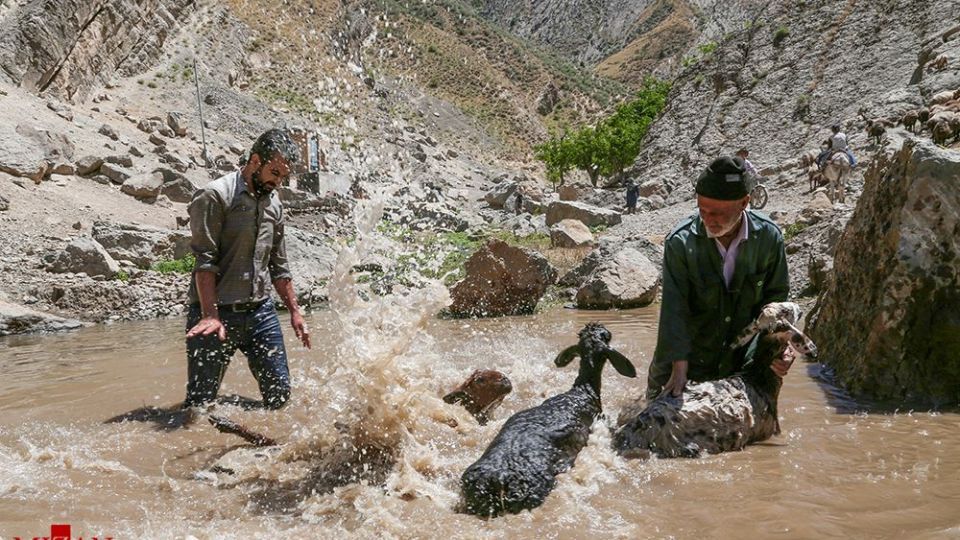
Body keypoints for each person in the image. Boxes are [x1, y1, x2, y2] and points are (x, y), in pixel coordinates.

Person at [183, 128, 312, 411]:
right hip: (214, 313)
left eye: (283, 177)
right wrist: (210, 315)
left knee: (279, 396)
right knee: (199, 406)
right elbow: (204, 261)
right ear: (255, 160)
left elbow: (279, 264)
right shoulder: (215, 196)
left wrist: (294, 311)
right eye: (274, 173)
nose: (277, 183)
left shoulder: (273, 203)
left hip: (260, 313)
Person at [646, 156, 790, 400]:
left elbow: (777, 302)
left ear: (745, 202)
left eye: (718, 213)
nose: (709, 219)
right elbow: (674, 310)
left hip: (742, 365)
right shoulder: (680, 243)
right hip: (683, 365)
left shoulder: (768, 239)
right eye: (703, 210)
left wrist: (781, 347)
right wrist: (679, 370)